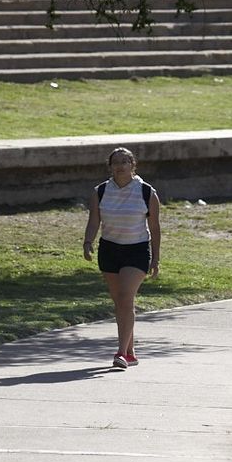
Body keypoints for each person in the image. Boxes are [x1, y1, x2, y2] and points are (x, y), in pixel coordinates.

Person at [83, 147, 161, 369]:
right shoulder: (100, 191)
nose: (120, 166)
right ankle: (131, 351)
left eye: (124, 161)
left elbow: (155, 228)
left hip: (136, 250)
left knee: (126, 297)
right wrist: (87, 242)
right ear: (110, 167)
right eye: (115, 162)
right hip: (109, 249)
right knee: (121, 303)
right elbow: (93, 221)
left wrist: (155, 259)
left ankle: (120, 353)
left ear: (132, 165)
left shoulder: (146, 192)